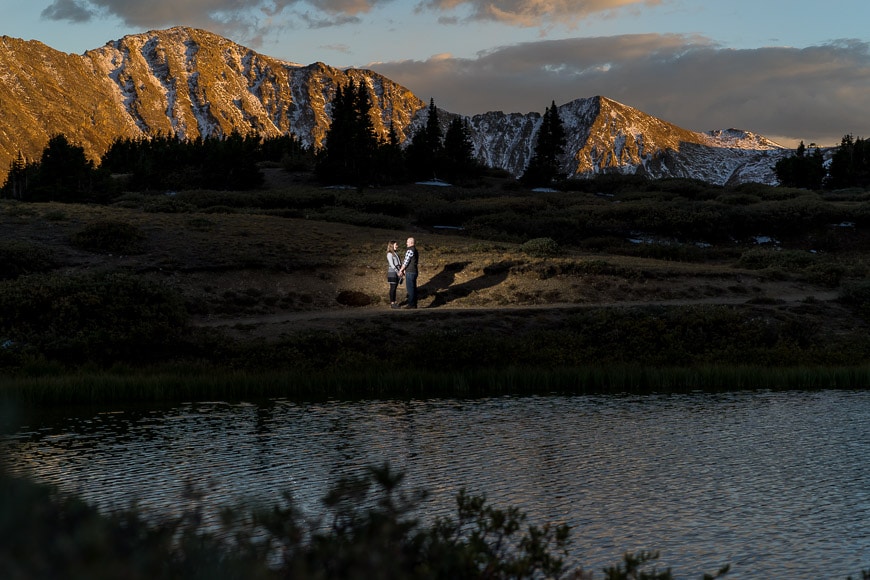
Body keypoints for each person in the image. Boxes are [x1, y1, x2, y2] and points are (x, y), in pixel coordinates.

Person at [398, 237, 419, 309]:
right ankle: (414, 304)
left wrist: (401, 270)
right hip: (414, 271)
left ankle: (411, 304)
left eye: (407, 242)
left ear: (411, 243)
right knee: (413, 288)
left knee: (410, 289)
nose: (406, 243)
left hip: (410, 272)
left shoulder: (410, 250)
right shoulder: (415, 250)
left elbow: (406, 261)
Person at [386, 240, 402, 309]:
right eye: (396, 245)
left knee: (395, 287)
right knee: (393, 287)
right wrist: (397, 271)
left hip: (397, 271)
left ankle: (394, 302)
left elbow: (399, 263)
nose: (397, 246)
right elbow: (392, 265)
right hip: (392, 272)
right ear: (392, 246)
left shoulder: (395, 253)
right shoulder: (389, 254)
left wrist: (401, 270)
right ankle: (392, 303)